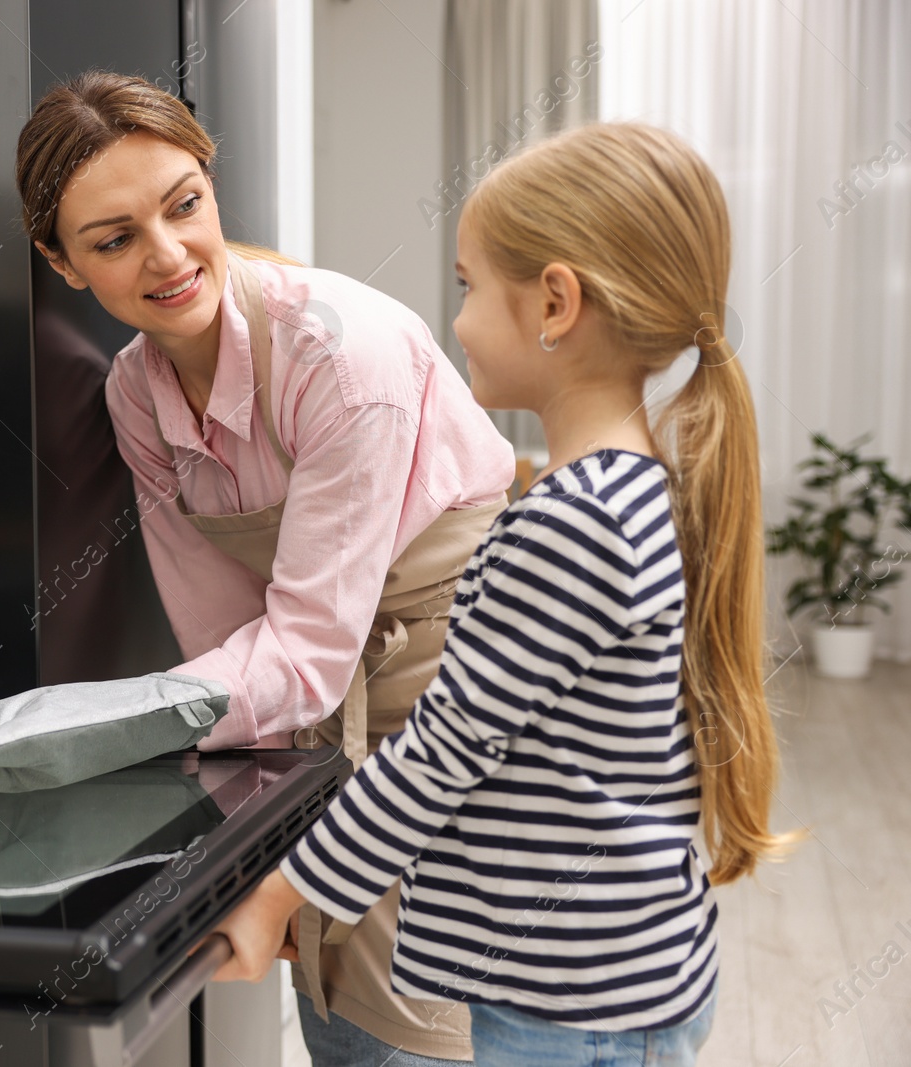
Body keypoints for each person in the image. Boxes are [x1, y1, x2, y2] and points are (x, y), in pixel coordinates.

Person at [209, 122, 799, 1067]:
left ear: (556, 302)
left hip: (571, 1006)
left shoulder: (575, 523)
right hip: (610, 983)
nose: (459, 320)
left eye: (470, 285)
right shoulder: (633, 491)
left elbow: (443, 751)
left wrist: (282, 893)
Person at [16, 71, 516, 1065]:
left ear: (208, 181)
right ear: (60, 262)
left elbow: (307, 648)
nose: (167, 257)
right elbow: (223, 629)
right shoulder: (133, 392)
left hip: (456, 708)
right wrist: (246, 829)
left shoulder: (341, 356)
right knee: (336, 1008)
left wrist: (103, 722)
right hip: (319, 713)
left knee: (437, 1021)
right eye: (114, 240)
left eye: (183, 206)